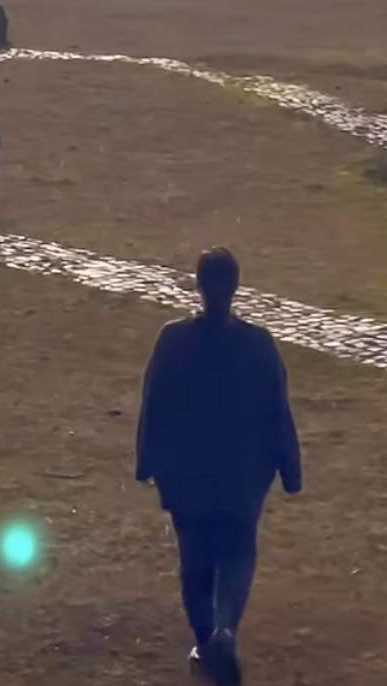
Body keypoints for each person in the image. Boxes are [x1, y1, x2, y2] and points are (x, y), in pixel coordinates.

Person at [136, 248, 302, 685]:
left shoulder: (173, 340)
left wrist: (147, 461)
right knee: (236, 554)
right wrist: (290, 467)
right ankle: (226, 627)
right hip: (241, 477)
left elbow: (154, 403)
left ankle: (206, 636)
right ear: (236, 287)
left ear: (198, 285)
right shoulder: (257, 345)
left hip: (188, 476)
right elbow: (277, 410)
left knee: (195, 561)